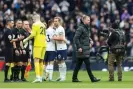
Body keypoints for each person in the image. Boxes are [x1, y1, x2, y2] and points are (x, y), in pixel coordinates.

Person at [72, 15, 100, 82]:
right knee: (87, 64)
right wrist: (79, 47)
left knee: (78, 65)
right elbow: (75, 38)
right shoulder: (80, 28)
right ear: (83, 20)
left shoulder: (86, 28)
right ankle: (92, 78)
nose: (89, 21)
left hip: (85, 49)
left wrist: (90, 40)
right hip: (82, 49)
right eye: (88, 20)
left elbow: (85, 36)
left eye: (89, 20)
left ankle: (74, 78)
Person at [23, 14, 47, 83]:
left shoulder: (35, 24)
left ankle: (38, 77)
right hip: (44, 45)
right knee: (41, 61)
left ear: (34, 18)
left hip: (38, 44)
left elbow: (33, 35)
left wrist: (26, 39)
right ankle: (41, 77)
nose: (32, 20)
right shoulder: (43, 25)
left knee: (36, 60)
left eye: (33, 19)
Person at [52, 17, 67, 81]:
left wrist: (54, 38)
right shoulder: (57, 29)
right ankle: (61, 76)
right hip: (58, 47)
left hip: (62, 47)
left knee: (62, 61)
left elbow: (61, 39)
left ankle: (63, 77)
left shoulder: (60, 29)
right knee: (59, 62)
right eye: (54, 21)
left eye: (56, 21)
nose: (55, 22)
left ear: (59, 22)